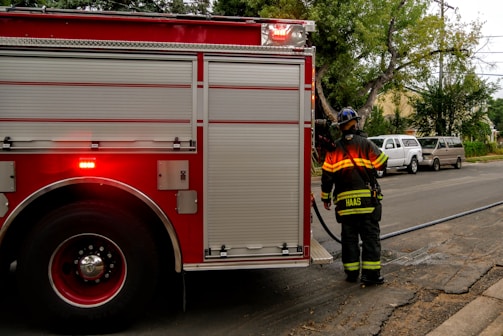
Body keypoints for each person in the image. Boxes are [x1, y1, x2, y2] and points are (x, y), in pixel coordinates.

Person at [320, 107, 388, 284]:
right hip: (367, 204)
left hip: (345, 207)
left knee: (349, 241)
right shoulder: (365, 144)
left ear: (341, 127)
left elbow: (327, 177)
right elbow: (382, 163)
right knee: (370, 239)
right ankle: (371, 275)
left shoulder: (333, 149)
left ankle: (351, 274)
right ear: (354, 124)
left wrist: (325, 198)